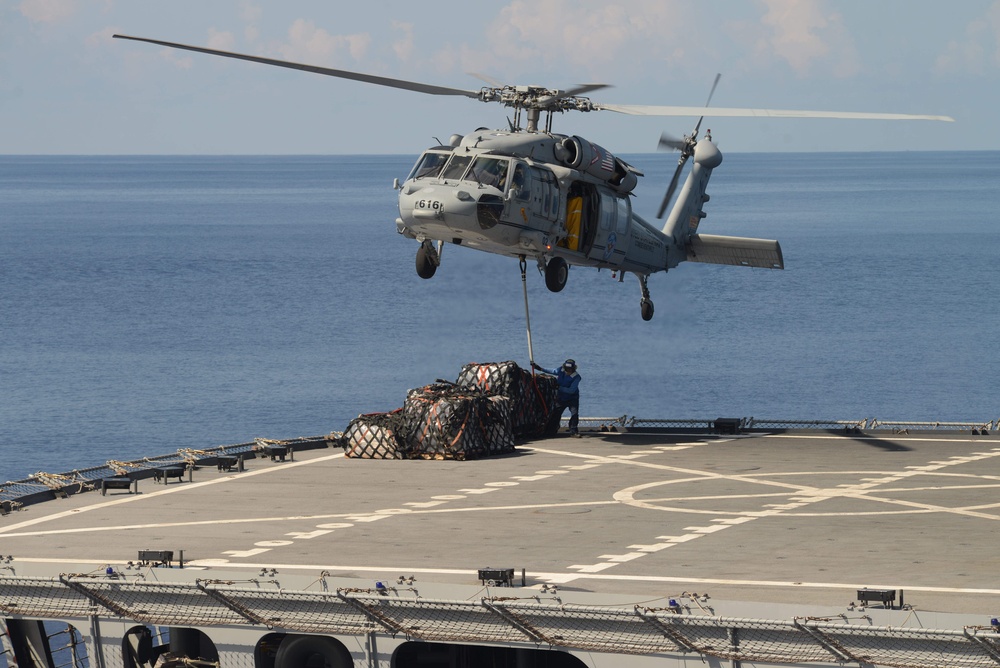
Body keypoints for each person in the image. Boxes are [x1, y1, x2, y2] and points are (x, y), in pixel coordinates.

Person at [531, 359, 582, 437]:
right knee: (556, 414)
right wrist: (540, 368)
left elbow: (572, 390)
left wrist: (559, 387)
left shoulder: (576, 377)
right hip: (561, 397)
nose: (568, 370)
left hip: (572, 398)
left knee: (574, 414)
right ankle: (551, 431)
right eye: (567, 369)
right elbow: (553, 371)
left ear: (573, 368)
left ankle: (573, 431)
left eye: (570, 369)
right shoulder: (561, 370)